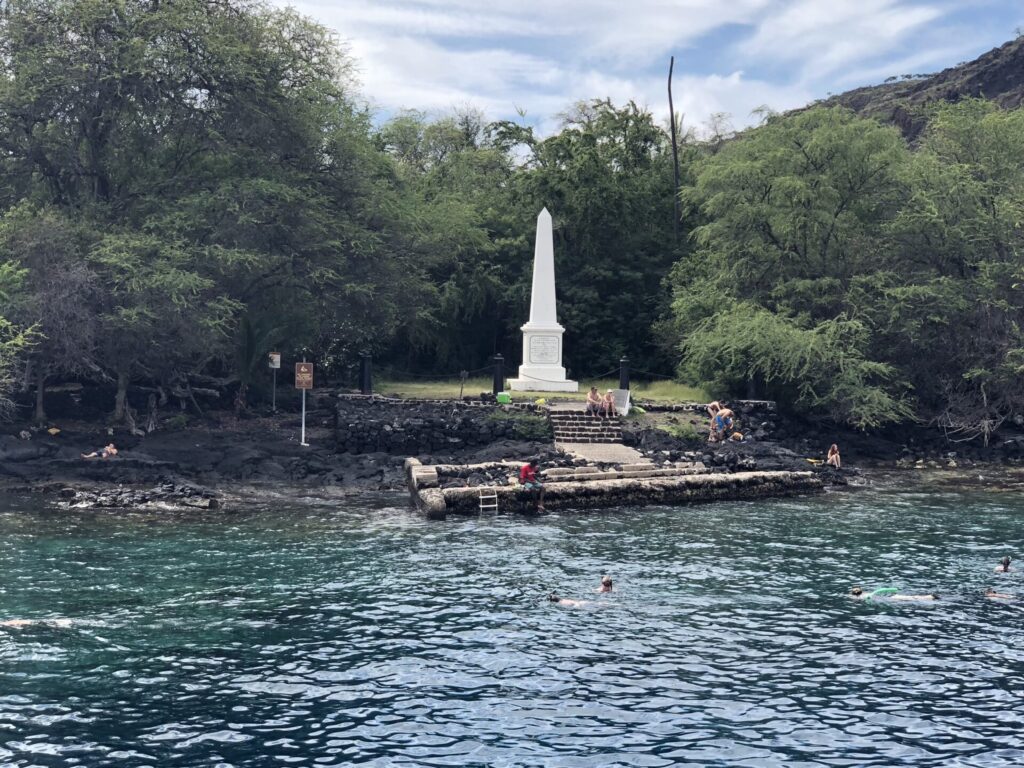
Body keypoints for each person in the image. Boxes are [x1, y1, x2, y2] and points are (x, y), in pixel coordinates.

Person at [851, 586, 938, 601]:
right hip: (887, 597)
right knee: (909, 597)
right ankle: (929, 597)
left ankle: (930, 597)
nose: (856, 590)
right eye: (855, 590)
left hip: (888, 597)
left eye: (857, 589)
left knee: (909, 598)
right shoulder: (862, 596)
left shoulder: (861, 596)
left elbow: (879, 592)